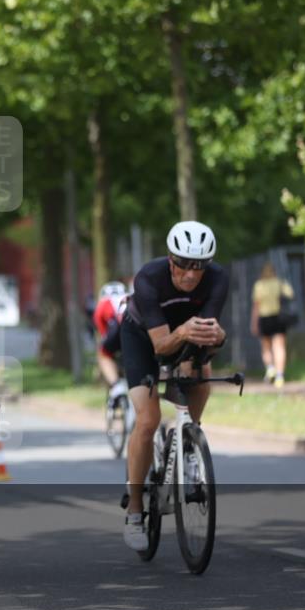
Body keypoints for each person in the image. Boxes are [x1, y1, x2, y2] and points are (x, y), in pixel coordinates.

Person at [120, 221, 229, 551]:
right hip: (142, 338)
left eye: (199, 267)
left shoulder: (219, 278)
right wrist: (183, 333)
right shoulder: (148, 279)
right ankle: (135, 509)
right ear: (171, 260)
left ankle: (188, 440)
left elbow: (207, 334)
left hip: (183, 337)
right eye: (184, 265)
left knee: (201, 374)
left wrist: (217, 338)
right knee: (148, 420)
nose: (192, 275)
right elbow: (159, 347)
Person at [250, 263, 295, 388]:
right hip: (279, 317)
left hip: (264, 318)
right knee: (279, 346)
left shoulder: (259, 285)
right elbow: (291, 295)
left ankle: (270, 368)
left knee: (266, 346)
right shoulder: (280, 283)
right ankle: (280, 376)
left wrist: (254, 323)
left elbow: (256, 307)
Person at [93, 281, 130, 401]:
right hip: (135, 325)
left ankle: (116, 385)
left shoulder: (103, 303)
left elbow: (103, 332)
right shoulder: (129, 297)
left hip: (117, 326)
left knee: (103, 354)